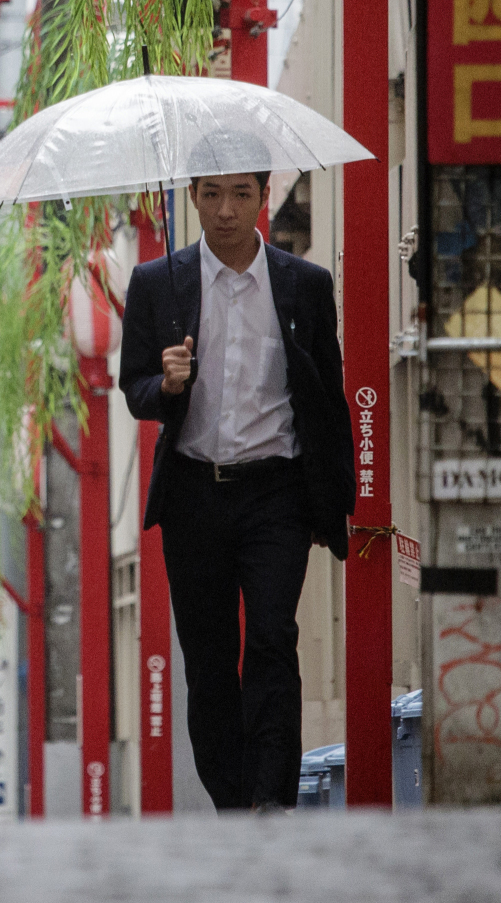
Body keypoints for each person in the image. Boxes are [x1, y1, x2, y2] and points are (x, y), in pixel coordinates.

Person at [118, 170, 354, 811]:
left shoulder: (305, 286)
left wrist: (334, 499)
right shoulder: (155, 283)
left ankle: (270, 800)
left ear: (263, 196)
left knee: (274, 638)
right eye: (213, 194)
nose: (226, 211)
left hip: (276, 491)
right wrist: (166, 386)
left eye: (241, 195)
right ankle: (230, 799)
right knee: (210, 658)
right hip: (195, 493)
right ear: (193, 196)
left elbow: (326, 399)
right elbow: (133, 387)